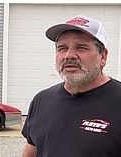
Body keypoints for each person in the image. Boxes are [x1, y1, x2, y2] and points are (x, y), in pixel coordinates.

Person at [21, 15, 121, 157]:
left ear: (103, 56)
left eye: (81, 48)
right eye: (62, 48)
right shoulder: (41, 100)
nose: (69, 55)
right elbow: (31, 152)